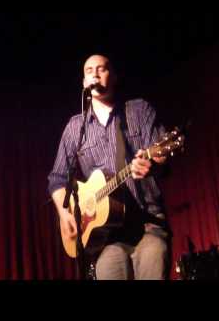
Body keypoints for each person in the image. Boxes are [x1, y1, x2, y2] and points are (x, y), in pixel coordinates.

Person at [48, 54, 169, 280]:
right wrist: (65, 215)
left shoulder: (139, 110)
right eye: (89, 71)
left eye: (102, 69)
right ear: (84, 82)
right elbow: (56, 179)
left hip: (148, 223)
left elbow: (163, 157)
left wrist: (151, 163)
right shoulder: (75, 127)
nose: (95, 73)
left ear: (113, 77)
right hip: (108, 236)